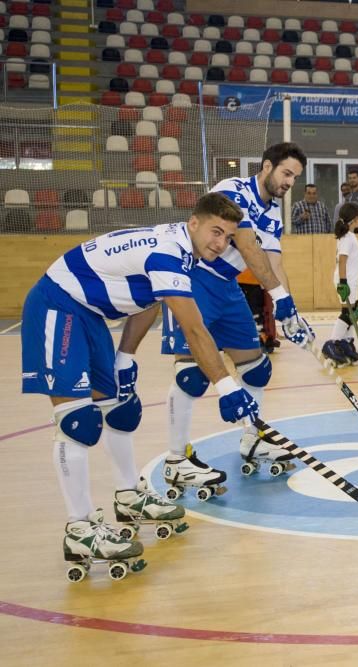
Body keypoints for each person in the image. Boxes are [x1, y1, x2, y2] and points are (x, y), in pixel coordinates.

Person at [21, 193, 259, 576]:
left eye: (229, 237)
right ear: (194, 222)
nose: (221, 243)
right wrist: (227, 385)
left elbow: (148, 298)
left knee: (122, 409)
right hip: (59, 304)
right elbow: (193, 328)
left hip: (91, 314)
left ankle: (129, 495)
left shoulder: (181, 249)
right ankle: (80, 528)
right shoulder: (168, 252)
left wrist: (125, 355)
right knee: (77, 420)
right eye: (216, 231)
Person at [161, 142, 314, 493]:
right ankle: (176, 458)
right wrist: (277, 297)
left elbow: (274, 263)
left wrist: (289, 310)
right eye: (286, 173)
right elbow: (246, 246)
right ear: (266, 166)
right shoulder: (233, 189)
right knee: (191, 376)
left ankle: (252, 438)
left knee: (256, 368)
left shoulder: (274, 213)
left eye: (295, 177)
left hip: (227, 287)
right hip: (196, 279)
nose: (290, 182)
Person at [320, 203, 358, 368]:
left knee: (354, 311)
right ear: (354, 219)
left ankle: (345, 342)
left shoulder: (349, 236)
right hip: (346, 281)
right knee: (347, 314)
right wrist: (343, 283)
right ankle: (332, 343)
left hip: (351, 280)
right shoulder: (347, 238)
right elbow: (342, 261)